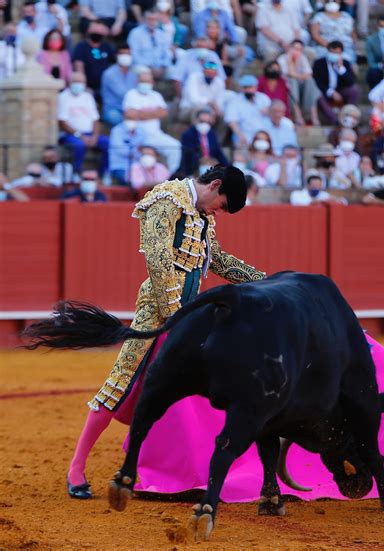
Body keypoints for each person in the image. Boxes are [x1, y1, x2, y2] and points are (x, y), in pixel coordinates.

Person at [65, 165, 266, 499]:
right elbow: (159, 265)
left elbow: (214, 258)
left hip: (187, 317)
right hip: (157, 314)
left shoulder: (202, 214)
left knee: (194, 389)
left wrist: (266, 282)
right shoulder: (166, 200)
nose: (218, 212)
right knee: (121, 384)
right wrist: (176, 320)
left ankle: (177, 469)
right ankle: (76, 468)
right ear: (214, 185)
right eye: (220, 204)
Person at [123, 70, 182, 174]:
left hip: (156, 135)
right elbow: (129, 114)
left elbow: (164, 112)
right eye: (142, 81)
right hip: (137, 137)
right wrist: (154, 113)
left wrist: (141, 114)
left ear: (152, 83)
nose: (145, 84)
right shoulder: (131, 94)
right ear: (137, 82)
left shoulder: (156, 95)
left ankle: (173, 175)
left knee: (175, 146)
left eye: (147, 82)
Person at [58, 72, 110, 175]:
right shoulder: (63, 97)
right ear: (70, 82)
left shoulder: (87, 97)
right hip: (70, 135)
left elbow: (96, 120)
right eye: (75, 82)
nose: (78, 84)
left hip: (89, 134)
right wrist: (80, 136)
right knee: (79, 145)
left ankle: (103, 174)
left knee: (107, 143)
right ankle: (76, 174)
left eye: (81, 82)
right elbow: (62, 122)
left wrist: (95, 136)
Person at [312, 41, 359, 126]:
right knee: (317, 95)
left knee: (353, 91)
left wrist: (341, 69)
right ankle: (335, 121)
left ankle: (350, 116)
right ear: (328, 51)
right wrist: (331, 92)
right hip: (324, 91)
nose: (335, 55)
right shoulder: (319, 63)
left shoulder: (345, 63)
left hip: (341, 91)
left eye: (337, 53)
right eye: (332, 52)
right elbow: (317, 81)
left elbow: (351, 82)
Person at [277, 39, 320, 126]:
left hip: (302, 86)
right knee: (292, 82)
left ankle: (314, 116)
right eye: (295, 48)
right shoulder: (281, 59)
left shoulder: (302, 58)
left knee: (310, 82)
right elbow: (289, 74)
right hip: (288, 87)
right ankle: (298, 115)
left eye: (300, 49)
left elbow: (308, 74)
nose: (297, 51)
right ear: (290, 48)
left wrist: (298, 76)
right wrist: (290, 61)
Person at [224, 74, 271, 147]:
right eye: (245, 87)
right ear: (241, 88)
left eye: (251, 87)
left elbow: (273, 115)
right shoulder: (235, 101)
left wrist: (268, 111)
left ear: (256, 87)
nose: (248, 90)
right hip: (244, 136)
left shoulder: (263, 98)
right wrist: (240, 135)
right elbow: (231, 121)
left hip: (263, 136)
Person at [179, 108, 229, 176]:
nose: (205, 124)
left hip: (211, 165)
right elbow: (188, 154)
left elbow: (218, 153)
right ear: (196, 120)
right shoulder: (188, 135)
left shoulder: (212, 134)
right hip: (193, 168)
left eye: (207, 122)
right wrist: (202, 160)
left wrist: (229, 169)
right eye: (202, 121)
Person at [72, 21, 115, 96]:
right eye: (94, 30)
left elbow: (115, 66)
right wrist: (84, 86)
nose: (97, 33)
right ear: (88, 31)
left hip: (104, 86)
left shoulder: (107, 47)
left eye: (100, 31)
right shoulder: (81, 46)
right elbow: (79, 67)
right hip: (87, 87)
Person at [127, 8, 172, 79]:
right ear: (144, 19)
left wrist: (164, 67)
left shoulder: (162, 34)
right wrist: (150, 67)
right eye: (149, 19)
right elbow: (134, 55)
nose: (152, 22)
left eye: (154, 19)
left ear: (158, 21)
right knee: (144, 71)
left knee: (176, 73)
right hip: (142, 66)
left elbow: (167, 53)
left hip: (161, 67)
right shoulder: (135, 33)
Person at [101, 44, 138, 126]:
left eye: (128, 54)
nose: (126, 56)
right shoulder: (109, 74)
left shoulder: (133, 73)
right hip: (114, 109)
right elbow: (123, 94)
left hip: (131, 108)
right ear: (116, 55)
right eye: (122, 53)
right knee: (116, 118)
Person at [310, 0, 357, 65]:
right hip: (326, 48)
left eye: (334, 1)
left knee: (347, 62)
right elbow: (315, 35)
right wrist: (332, 47)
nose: (332, 2)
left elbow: (353, 34)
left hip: (346, 49)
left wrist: (353, 45)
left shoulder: (347, 16)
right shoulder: (319, 17)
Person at [109, 116, 147, 185]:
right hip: (120, 167)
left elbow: (144, 149)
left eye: (133, 118)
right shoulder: (116, 131)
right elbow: (122, 151)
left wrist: (138, 151)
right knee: (132, 181)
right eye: (129, 118)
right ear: (124, 118)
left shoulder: (141, 131)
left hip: (138, 167)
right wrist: (137, 150)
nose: (131, 121)